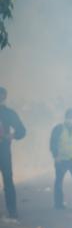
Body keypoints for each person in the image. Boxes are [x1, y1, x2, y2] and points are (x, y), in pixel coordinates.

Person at [0, 87, 27, 219]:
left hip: (3, 150)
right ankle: (12, 212)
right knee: (8, 180)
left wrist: (12, 135)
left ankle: (12, 211)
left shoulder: (8, 113)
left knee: (8, 181)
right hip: (4, 150)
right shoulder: (8, 113)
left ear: (4, 98)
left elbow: (22, 131)